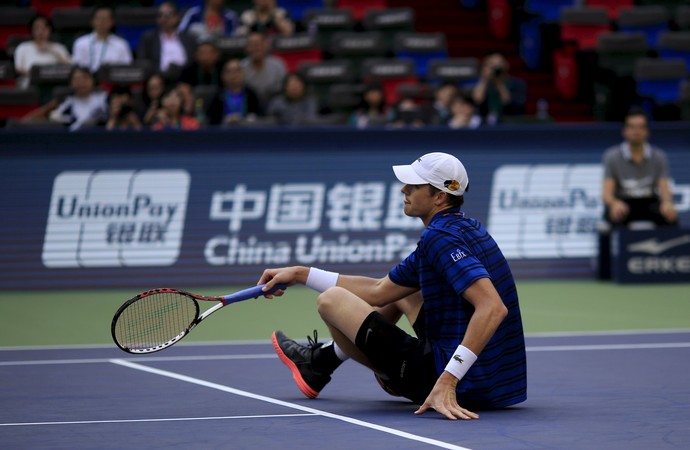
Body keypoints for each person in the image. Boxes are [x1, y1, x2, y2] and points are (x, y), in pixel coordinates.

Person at [259, 152, 528, 420]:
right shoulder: (465, 227)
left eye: (414, 185)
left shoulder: (440, 238)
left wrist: (449, 379)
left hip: (460, 384)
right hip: (497, 381)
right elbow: (380, 290)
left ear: (439, 196)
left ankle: (372, 371)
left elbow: (493, 308)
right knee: (408, 290)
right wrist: (300, 274)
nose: (404, 189)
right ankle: (321, 362)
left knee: (331, 300)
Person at [597, 109, 679, 278]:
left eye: (640, 127)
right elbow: (607, 194)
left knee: (671, 217)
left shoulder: (658, 156)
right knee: (606, 225)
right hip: (624, 203)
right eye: (632, 127)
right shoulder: (612, 156)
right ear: (625, 131)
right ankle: (606, 274)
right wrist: (614, 203)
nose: (636, 131)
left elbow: (664, 188)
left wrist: (667, 203)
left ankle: (673, 268)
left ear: (647, 131)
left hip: (649, 202)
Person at [21, 66, 108, 131]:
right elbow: (26, 121)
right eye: (77, 79)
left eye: (85, 78)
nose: (81, 83)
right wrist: (49, 107)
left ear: (93, 81)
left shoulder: (104, 99)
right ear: (71, 83)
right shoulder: (65, 103)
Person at [137, 2, 197, 80]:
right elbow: (143, 61)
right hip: (159, 78)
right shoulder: (149, 38)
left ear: (177, 17)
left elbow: (192, 61)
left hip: (184, 78)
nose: (164, 18)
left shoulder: (188, 38)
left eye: (168, 14)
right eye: (160, 15)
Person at [13, 15, 71, 89]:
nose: (40, 32)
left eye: (44, 28)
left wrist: (51, 50)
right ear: (32, 30)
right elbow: (18, 69)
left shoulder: (59, 47)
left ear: (50, 30)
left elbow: (70, 66)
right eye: (37, 28)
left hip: (55, 85)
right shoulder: (23, 47)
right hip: (30, 85)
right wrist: (39, 73)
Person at [71, 6, 133, 73]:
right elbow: (76, 66)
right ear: (92, 21)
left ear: (112, 22)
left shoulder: (121, 44)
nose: (101, 22)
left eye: (105, 19)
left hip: (110, 81)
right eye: (98, 18)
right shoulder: (80, 42)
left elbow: (127, 69)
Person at [471, 52, 526, 125]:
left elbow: (508, 102)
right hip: (484, 123)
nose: (495, 68)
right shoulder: (481, 84)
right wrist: (484, 80)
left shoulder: (517, 83)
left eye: (498, 64)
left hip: (509, 122)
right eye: (491, 65)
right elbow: (477, 99)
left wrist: (499, 83)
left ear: (506, 65)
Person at [206, 58, 263, 126]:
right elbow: (210, 120)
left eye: (237, 70)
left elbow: (259, 117)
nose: (233, 74)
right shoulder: (218, 96)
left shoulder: (251, 94)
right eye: (229, 71)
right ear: (223, 76)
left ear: (243, 74)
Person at [240, 32, 287, 111]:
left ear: (266, 46)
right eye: (252, 45)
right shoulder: (241, 67)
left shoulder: (278, 65)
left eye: (259, 44)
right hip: (249, 107)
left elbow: (283, 91)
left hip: (274, 106)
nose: (256, 48)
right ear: (246, 48)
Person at [177, 39, 224, 115]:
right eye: (202, 53)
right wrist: (188, 99)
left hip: (220, 103)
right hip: (197, 104)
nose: (205, 57)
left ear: (216, 55)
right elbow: (183, 86)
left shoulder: (223, 68)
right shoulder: (189, 69)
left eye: (208, 53)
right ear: (196, 55)